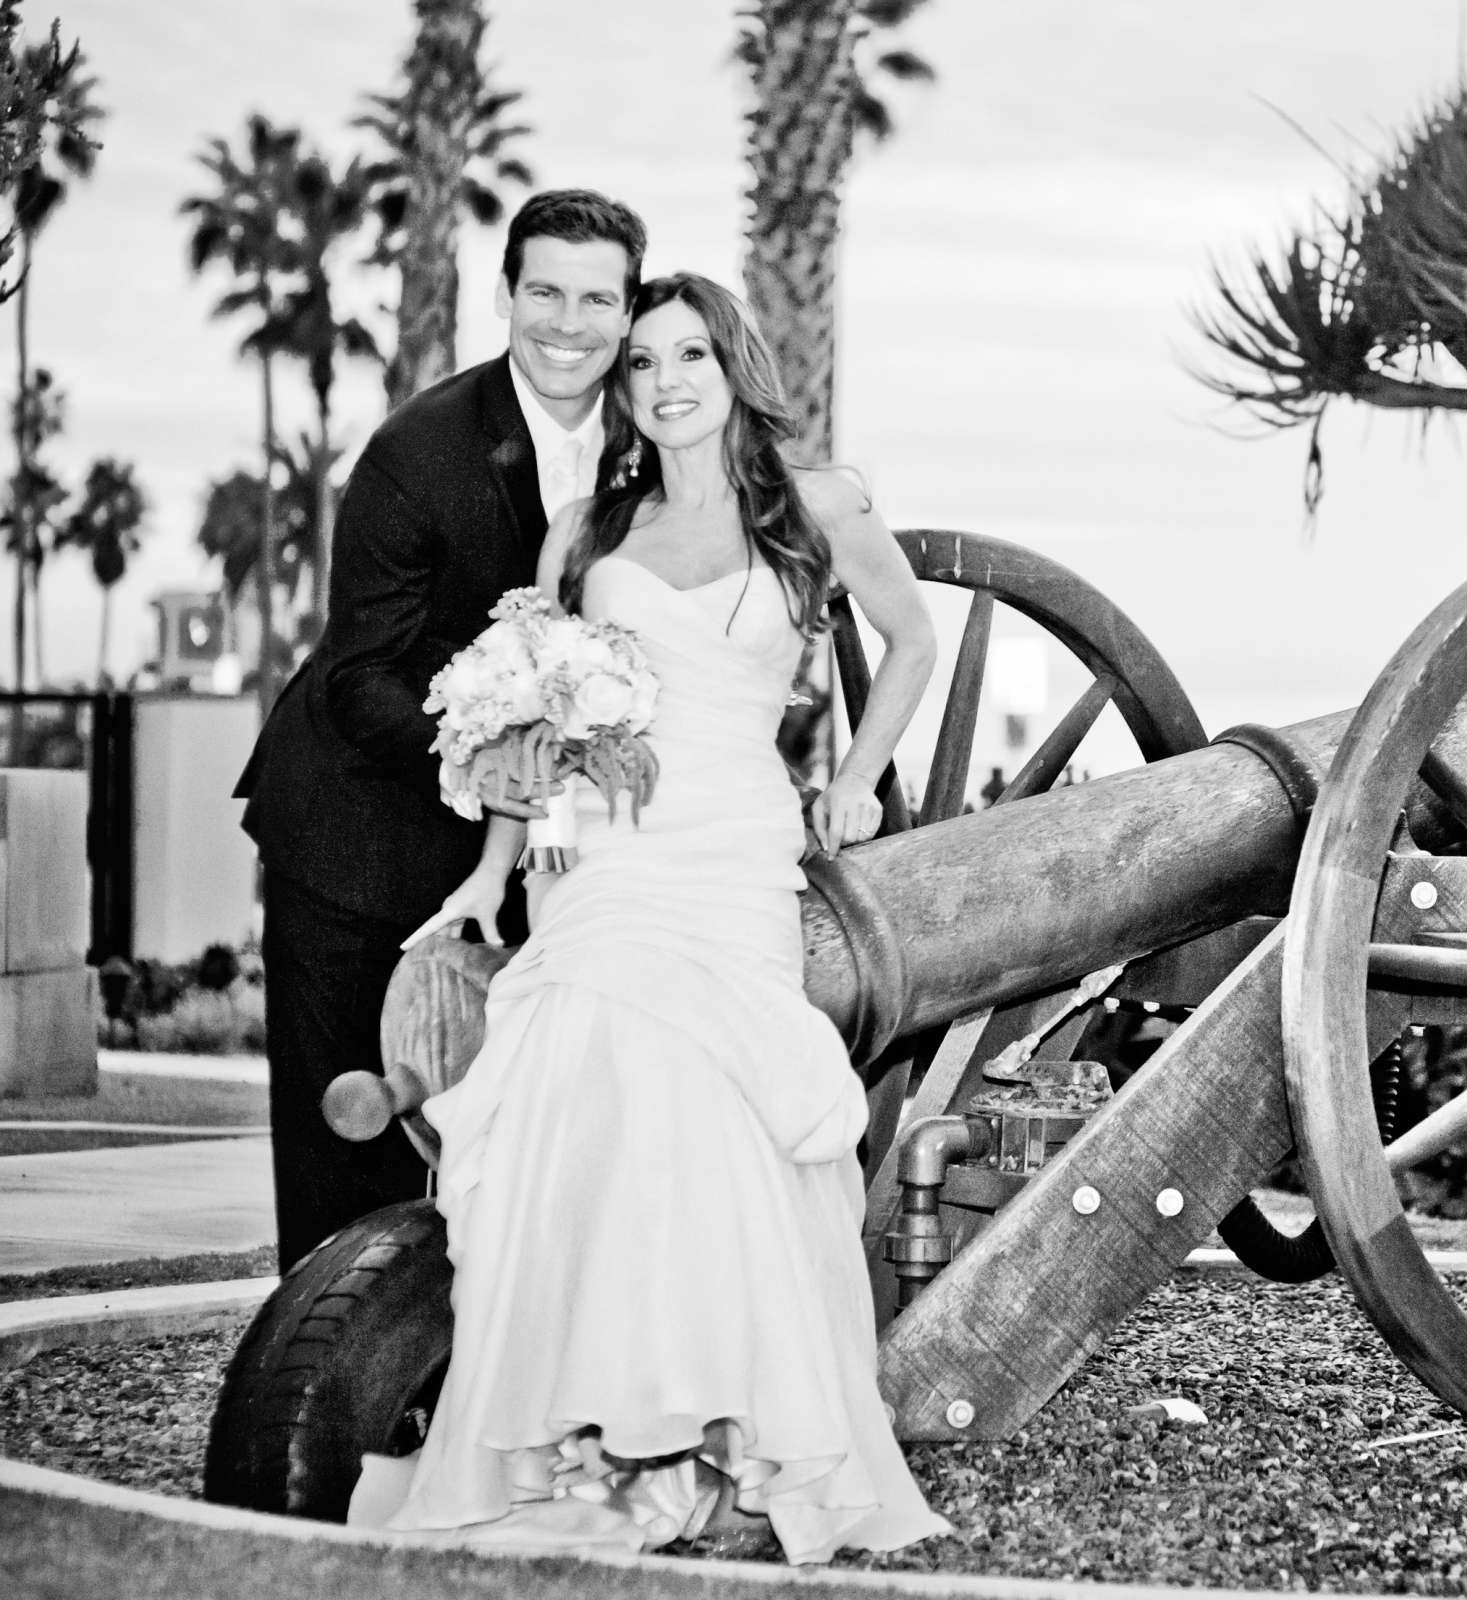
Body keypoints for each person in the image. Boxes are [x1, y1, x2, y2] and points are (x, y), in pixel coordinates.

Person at [346, 272, 945, 1562]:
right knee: (579, 1079)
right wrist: (497, 874)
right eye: (644, 364)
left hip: (734, 849)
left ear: (735, 367)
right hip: (605, 855)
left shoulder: (819, 507)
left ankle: (726, 1422)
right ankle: (582, 1429)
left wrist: (848, 782)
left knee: (713, 1115)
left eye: (691, 355)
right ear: (623, 390)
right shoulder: (584, 532)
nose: (666, 381)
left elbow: (912, 641)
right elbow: (540, 726)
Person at [235, 190, 648, 1272]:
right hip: (356, 833)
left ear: (627, 310)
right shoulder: (417, 452)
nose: (568, 322)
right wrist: (480, 758)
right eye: (544, 291)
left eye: (596, 298)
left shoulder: (650, 451)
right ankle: (329, 1407)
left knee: (508, 1142)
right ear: (505, 296)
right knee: (352, 1149)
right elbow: (357, 677)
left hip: (528, 852)